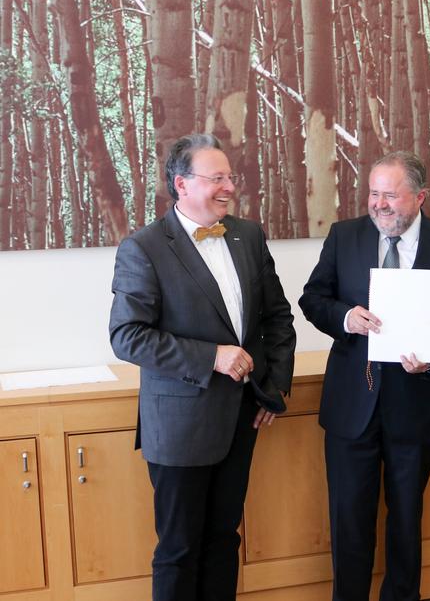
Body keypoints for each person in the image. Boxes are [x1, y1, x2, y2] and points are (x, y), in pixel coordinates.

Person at [109, 134, 296, 601]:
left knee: (223, 540)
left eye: (230, 177)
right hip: (179, 428)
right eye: (217, 179)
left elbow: (277, 318)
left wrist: (272, 390)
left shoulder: (248, 235)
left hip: (241, 419)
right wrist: (212, 357)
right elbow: (127, 336)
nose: (229, 187)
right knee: (179, 548)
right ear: (182, 184)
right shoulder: (144, 247)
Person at [299, 151, 430, 601]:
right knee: (349, 520)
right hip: (351, 405)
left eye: (391, 195)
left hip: (416, 405)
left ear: (419, 196)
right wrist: (345, 317)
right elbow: (313, 299)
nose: (379, 204)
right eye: (374, 194)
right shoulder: (345, 236)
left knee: (406, 521)